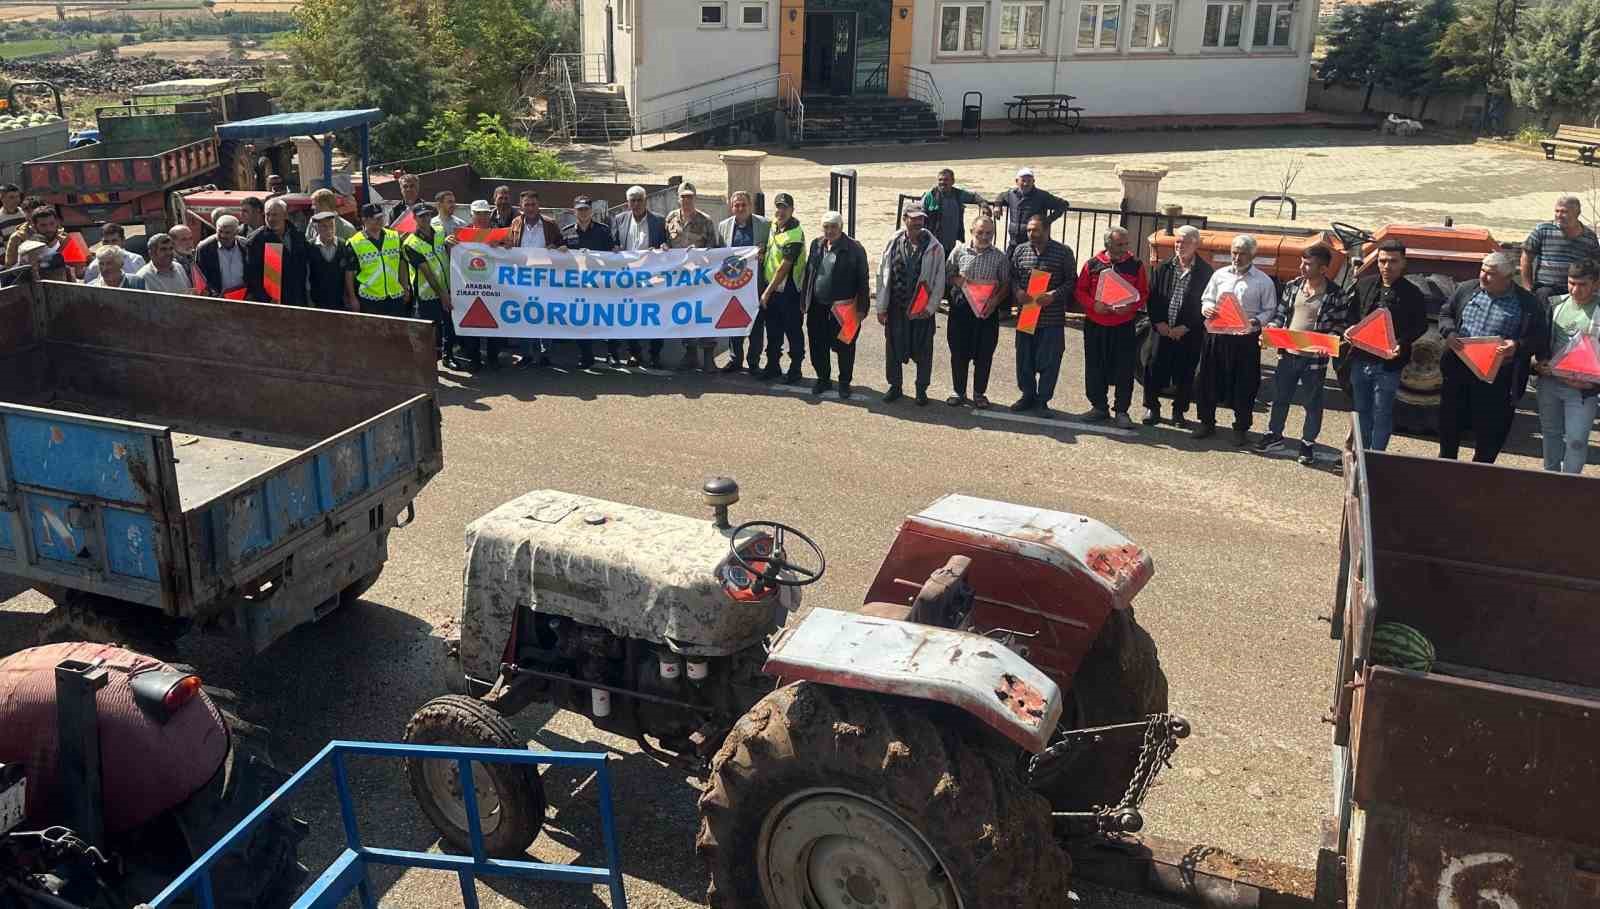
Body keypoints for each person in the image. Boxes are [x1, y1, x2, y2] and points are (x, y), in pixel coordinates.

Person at [1437, 251, 1549, 464]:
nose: (1483, 277)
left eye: (1491, 274)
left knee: (1490, 433)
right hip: (1459, 370)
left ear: (1508, 278)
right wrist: (1449, 333)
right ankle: (1445, 466)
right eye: (1482, 271)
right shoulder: (1466, 289)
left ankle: (1480, 477)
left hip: (1498, 378)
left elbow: (1539, 337)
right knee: (1449, 424)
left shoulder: (1528, 303)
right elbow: (1445, 313)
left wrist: (1516, 345)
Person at [1256, 245, 1351, 464]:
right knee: (1280, 397)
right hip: (1288, 355)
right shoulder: (1292, 286)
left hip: (1314, 360)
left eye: (1308, 264)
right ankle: (1274, 435)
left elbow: (1340, 325)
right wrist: (1271, 327)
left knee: (1312, 403)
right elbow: (1281, 314)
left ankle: (1308, 443)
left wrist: (1326, 342)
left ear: (1323, 268)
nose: (1302, 267)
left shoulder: (1336, 294)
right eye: (1302, 262)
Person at [1195, 234, 1278, 444]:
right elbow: (1207, 297)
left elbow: (1270, 310)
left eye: (1242, 254)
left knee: (1244, 384)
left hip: (1245, 339)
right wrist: (1207, 308)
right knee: (1207, 380)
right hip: (1217, 335)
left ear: (1252, 255)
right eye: (1234, 252)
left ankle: (1240, 428)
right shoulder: (1219, 275)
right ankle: (1206, 422)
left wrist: (1255, 323)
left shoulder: (1263, 281)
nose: (1237, 257)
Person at [1345, 239, 1427, 452]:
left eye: (1393, 261)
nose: (1386, 266)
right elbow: (1352, 314)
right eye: (1382, 261)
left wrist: (1402, 342)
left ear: (1403, 263)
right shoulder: (1364, 285)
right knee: (1360, 409)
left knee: (1381, 413)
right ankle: (1360, 453)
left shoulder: (1413, 293)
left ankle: (1376, 456)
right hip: (1360, 359)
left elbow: (1420, 325)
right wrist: (1349, 329)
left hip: (1388, 365)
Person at [1073, 226, 1149, 427]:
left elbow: (1143, 292)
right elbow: (1080, 291)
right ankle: (1099, 407)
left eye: (1126, 244)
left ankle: (1122, 411)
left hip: (1123, 325)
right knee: (1095, 366)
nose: (1125, 248)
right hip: (1096, 325)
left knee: (1124, 368)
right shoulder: (1092, 264)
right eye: (1119, 244)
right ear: (1108, 245)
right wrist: (1093, 305)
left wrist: (1130, 307)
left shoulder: (1136, 265)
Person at [1533, 257, 1600, 473]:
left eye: (1582, 285)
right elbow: (1538, 340)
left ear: (1596, 284)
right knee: (1550, 434)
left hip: (1582, 391)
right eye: (1571, 283)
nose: (1575, 290)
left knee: (1577, 440)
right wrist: (1536, 362)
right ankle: (1551, 478)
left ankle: (1570, 484)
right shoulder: (1554, 305)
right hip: (1550, 385)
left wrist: (1594, 385)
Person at [1144, 225, 1212, 428]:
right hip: (1162, 329)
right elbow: (1152, 297)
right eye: (1177, 241)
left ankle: (1178, 412)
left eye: (1185, 242)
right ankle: (1151, 407)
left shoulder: (1205, 272)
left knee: (1185, 372)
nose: (1179, 245)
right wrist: (1159, 322)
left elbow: (1206, 303)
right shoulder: (1163, 267)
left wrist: (1187, 326)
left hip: (1188, 332)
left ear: (1196, 244)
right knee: (1153, 366)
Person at [1007, 214, 1075, 416]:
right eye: (1028, 230)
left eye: (1035, 230)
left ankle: (1042, 401)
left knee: (1050, 361)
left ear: (1047, 230)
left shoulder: (1063, 252)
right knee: (1024, 359)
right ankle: (1027, 395)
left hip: (1051, 317)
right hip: (1027, 313)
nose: (1031, 233)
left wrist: (1054, 295)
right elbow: (1012, 276)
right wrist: (1017, 291)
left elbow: (1072, 281)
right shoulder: (1020, 250)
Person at [875, 207, 945, 404]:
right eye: (913, 219)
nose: (917, 223)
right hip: (896, 308)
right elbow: (882, 275)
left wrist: (930, 308)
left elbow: (939, 280)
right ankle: (895, 386)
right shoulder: (893, 243)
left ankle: (921, 390)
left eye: (921, 219)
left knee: (923, 352)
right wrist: (881, 307)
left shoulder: (935, 247)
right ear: (904, 219)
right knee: (893, 349)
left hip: (922, 310)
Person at [801, 210, 870, 398]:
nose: (829, 231)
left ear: (841, 228)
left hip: (845, 308)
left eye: (833, 227)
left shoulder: (855, 248)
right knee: (817, 344)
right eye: (826, 227)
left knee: (845, 347)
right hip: (817, 307)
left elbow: (863, 280)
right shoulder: (816, 244)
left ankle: (844, 382)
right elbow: (809, 274)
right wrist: (804, 301)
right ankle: (823, 379)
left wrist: (862, 309)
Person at [944, 215, 1010, 408]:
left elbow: (1005, 284)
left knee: (984, 354)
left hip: (987, 313)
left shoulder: (1000, 256)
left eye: (989, 233)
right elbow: (948, 274)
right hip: (961, 310)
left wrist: (996, 301)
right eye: (980, 232)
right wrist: (960, 281)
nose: (984, 236)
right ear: (972, 231)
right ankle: (958, 391)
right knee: (958, 352)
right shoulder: (959, 251)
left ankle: (979, 393)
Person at [610, 185, 669, 367]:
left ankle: (655, 354)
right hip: (627, 277)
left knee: (655, 315)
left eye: (639, 200)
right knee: (629, 315)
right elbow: (612, 243)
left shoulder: (659, 221)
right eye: (632, 200)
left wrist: (664, 248)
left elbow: (666, 244)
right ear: (627, 203)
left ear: (646, 201)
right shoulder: (619, 219)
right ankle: (634, 353)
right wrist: (615, 249)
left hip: (652, 277)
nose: (636, 204)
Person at [506, 189, 564, 367]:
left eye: (533, 204)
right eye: (526, 205)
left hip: (545, 278)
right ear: (521, 206)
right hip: (522, 278)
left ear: (539, 205)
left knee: (545, 315)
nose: (530, 208)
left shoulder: (550, 224)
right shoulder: (515, 223)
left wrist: (558, 248)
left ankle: (546, 353)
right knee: (525, 316)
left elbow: (562, 245)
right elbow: (509, 244)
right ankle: (526, 354)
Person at [665, 182, 719, 371]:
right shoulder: (670, 218)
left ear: (695, 198)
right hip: (680, 279)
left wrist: (699, 252)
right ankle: (690, 353)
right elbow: (665, 245)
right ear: (678, 198)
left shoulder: (706, 221)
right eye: (683, 197)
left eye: (690, 197)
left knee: (704, 314)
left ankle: (708, 356)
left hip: (701, 278)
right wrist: (664, 249)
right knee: (685, 315)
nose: (686, 200)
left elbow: (714, 251)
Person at [715, 190, 770, 373]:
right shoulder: (723, 226)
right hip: (732, 285)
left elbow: (772, 249)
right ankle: (735, 359)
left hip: (755, 284)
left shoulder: (764, 225)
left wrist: (764, 252)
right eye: (736, 205)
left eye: (743, 205)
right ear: (731, 208)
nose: (740, 208)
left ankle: (754, 362)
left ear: (750, 206)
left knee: (756, 323)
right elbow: (718, 253)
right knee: (733, 322)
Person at [562, 195, 617, 368]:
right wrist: (558, 251)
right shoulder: (566, 232)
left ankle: (613, 354)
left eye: (586, 209)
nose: (583, 212)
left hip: (601, 284)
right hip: (578, 286)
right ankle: (586, 356)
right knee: (582, 321)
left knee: (608, 320)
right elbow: (558, 259)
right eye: (580, 209)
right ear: (574, 211)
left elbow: (614, 254)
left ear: (591, 211)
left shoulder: (604, 230)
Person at [759, 192, 807, 383]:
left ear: (792, 210)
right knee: (772, 330)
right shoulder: (773, 226)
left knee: (793, 331)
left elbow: (783, 268)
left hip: (789, 291)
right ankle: (773, 366)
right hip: (773, 290)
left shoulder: (794, 234)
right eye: (778, 207)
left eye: (785, 207)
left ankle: (795, 369)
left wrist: (766, 292)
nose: (781, 211)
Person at [403, 204, 455, 363]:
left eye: (427, 215)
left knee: (449, 325)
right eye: (421, 216)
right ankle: (427, 362)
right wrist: (443, 295)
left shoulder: (440, 232)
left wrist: (448, 243)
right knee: (429, 330)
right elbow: (428, 274)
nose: (425, 219)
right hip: (427, 294)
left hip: (447, 288)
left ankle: (448, 357)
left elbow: (448, 254)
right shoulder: (410, 243)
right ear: (414, 218)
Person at [1521, 195, 1600, 295]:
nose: (1559, 215)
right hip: (1546, 287)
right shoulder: (1543, 230)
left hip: (1577, 288)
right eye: (1557, 211)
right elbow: (1526, 258)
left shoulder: (1589, 237)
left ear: (1577, 213)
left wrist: (1595, 289)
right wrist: (1528, 287)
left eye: (1564, 212)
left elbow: (1597, 265)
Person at [344, 203, 410, 316]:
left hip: (395, 296)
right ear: (364, 220)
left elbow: (402, 263)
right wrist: (352, 298)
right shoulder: (354, 243)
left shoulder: (394, 237)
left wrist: (405, 287)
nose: (380, 221)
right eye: (375, 218)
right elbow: (349, 273)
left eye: (381, 217)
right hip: (370, 299)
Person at [243, 197, 310, 306]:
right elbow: (252, 276)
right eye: (267, 215)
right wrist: (266, 299)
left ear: (285, 215)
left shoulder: (298, 236)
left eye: (275, 215)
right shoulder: (256, 241)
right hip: (272, 303)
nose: (270, 219)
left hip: (297, 300)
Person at [996, 168, 1069, 252]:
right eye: (1023, 180)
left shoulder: (1042, 196)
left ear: (1033, 181)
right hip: (1014, 242)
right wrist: (997, 205)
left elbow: (1063, 204)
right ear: (1016, 181)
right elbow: (1001, 195)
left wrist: (1047, 221)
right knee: (1008, 264)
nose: (1026, 183)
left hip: (1034, 242)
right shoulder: (1011, 194)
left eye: (1029, 181)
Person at [921, 168, 988, 254]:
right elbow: (920, 214)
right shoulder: (930, 195)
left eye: (946, 180)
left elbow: (974, 196)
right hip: (932, 243)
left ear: (953, 181)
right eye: (940, 180)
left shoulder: (958, 194)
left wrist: (984, 205)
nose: (942, 182)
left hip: (951, 243)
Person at [195, 214, 247, 298]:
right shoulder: (204, 248)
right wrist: (213, 294)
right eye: (220, 231)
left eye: (227, 233)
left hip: (243, 298)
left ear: (236, 232)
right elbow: (201, 278)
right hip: (218, 300)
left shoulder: (246, 245)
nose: (223, 236)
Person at [306, 211, 350, 311]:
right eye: (324, 226)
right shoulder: (310, 247)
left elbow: (348, 274)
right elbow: (307, 276)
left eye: (332, 225)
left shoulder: (343, 245)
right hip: (318, 302)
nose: (329, 230)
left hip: (340, 301)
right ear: (316, 228)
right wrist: (309, 300)